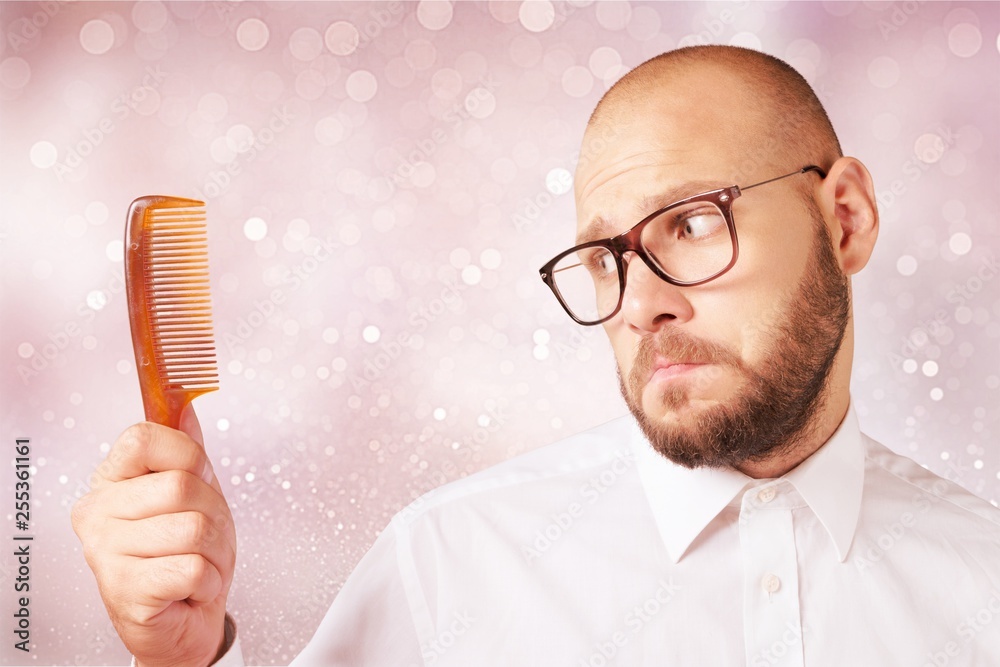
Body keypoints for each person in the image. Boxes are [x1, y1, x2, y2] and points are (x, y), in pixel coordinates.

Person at [73, 45, 1000, 666]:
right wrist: (184, 661)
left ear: (846, 218)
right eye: (608, 258)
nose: (642, 305)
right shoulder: (450, 566)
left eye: (690, 222)